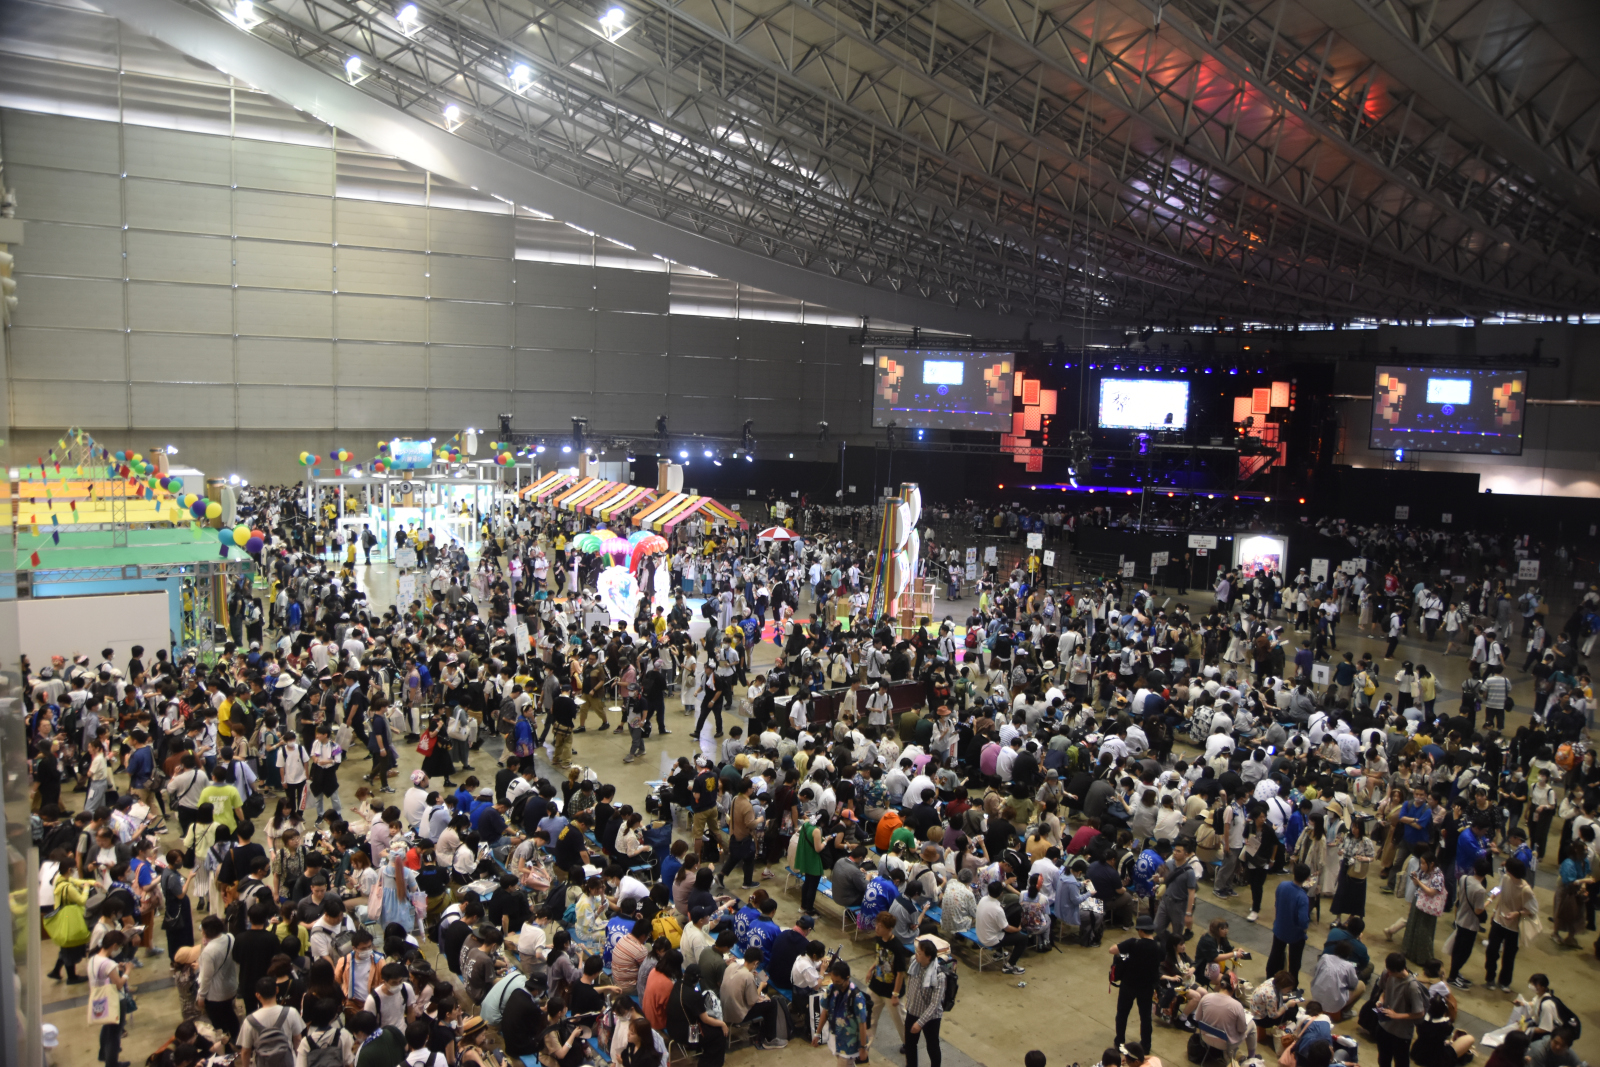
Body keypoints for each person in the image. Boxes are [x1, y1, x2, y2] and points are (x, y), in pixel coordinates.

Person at [1483, 858, 1537, 992]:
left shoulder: (1526, 890)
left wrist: (1517, 913)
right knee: (1492, 950)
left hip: (1513, 927)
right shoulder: (1506, 878)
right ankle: (1490, 978)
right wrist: (1492, 904)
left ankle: (1504, 982)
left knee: (1509, 956)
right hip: (1499, 920)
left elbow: (1532, 910)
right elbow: (1499, 891)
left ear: (1511, 871)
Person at [1111, 916, 1163, 1050]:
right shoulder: (1158, 947)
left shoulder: (1133, 943)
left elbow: (1112, 950)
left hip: (1128, 985)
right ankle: (1146, 1045)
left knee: (1122, 1014)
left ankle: (1120, 1041)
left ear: (1140, 930)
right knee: (1145, 1017)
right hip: (1147, 987)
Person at [813, 960, 873, 1067]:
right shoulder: (831, 990)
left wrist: (863, 1047)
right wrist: (817, 1033)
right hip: (835, 1038)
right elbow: (825, 1012)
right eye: (833, 980)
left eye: (838, 981)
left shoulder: (857, 998)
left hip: (850, 1044)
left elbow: (862, 1023)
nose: (834, 983)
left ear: (847, 978)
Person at [238, 976, 306, 1067]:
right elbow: (298, 1040)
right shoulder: (291, 1012)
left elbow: (246, 1051)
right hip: (288, 1062)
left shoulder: (249, 1021)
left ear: (257, 995)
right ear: (277, 990)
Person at [1373, 951, 1425, 1067]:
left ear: (1399, 970)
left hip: (1401, 1033)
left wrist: (1396, 1015)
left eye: (1391, 971)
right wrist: (1380, 1001)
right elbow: (1385, 991)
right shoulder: (1387, 974)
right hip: (1384, 1026)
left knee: (1401, 1063)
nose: (1388, 972)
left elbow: (1420, 1013)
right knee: (1383, 1059)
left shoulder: (1412, 987)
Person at [86, 930, 129, 1067]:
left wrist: (116, 968)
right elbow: (119, 984)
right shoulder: (108, 964)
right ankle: (112, 1063)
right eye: (119, 946)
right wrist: (127, 972)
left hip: (99, 999)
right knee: (114, 1035)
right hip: (114, 1000)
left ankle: (103, 1054)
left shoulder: (93, 958)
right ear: (115, 945)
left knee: (106, 1028)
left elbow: (102, 975)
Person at [1266, 862, 1311, 987]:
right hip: (1295, 934)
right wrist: (1305, 929)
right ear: (1307, 878)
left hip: (1279, 928)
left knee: (1275, 955)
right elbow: (1303, 920)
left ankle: (1269, 979)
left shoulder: (1282, 885)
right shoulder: (1302, 897)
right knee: (1294, 963)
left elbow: (1277, 902)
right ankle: (1292, 985)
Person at [903, 939, 946, 1067]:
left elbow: (935, 1004)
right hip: (913, 1010)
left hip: (931, 1017)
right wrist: (908, 1001)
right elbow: (910, 982)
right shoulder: (914, 962)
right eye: (916, 951)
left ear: (928, 957)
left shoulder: (939, 976)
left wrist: (920, 1022)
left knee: (932, 1046)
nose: (916, 954)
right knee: (910, 1044)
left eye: (920, 953)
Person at [975, 881, 1028, 975]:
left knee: (997, 926)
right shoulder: (997, 910)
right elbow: (1007, 928)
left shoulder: (983, 899)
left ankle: (999, 953)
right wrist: (1018, 928)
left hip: (980, 934)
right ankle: (1010, 966)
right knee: (1023, 938)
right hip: (990, 940)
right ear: (1001, 893)